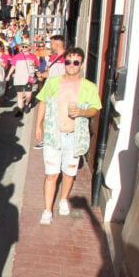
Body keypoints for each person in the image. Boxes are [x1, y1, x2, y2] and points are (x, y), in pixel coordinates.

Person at [34, 48, 102, 225]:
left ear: (81, 64)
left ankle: (63, 199)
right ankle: (47, 210)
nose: (71, 66)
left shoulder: (88, 87)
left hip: (74, 136)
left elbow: (95, 108)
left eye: (76, 62)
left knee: (69, 173)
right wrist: (38, 126)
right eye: (68, 62)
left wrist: (83, 111)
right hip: (53, 135)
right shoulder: (53, 82)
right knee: (51, 175)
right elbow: (42, 103)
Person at [9, 41, 39, 116]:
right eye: (22, 47)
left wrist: (34, 66)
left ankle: (27, 103)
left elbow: (37, 66)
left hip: (28, 77)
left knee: (28, 94)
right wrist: (8, 75)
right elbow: (13, 66)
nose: (24, 48)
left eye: (26, 47)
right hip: (19, 77)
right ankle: (20, 110)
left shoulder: (33, 56)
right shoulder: (17, 56)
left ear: (29, 47)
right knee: (20, 94)